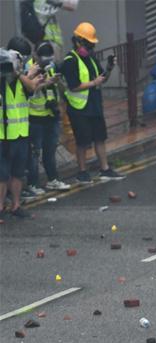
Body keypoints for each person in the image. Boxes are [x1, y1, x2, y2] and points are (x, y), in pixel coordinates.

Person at [61, 22, 124, 184]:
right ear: (77, 42)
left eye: (91, 46)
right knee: (82, 141)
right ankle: (82, 172)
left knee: (100, 138)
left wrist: (109, 68)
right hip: (79, 108)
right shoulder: (70, 61)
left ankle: (105, 169)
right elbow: (74, 86)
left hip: (94, 105)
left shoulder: (91, 58)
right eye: (87, 45)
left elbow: (101, 79)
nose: (89, 49)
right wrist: (94, 83)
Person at [1, 38, 45, 219]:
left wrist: (19, 73)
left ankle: (16, 205)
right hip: (3, 135)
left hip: (20, 133)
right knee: (2, 174)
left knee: (18, 172)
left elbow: (32, 87)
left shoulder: (22, 79)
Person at [25, 41, 70, 196]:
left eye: (49, 59)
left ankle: (53, 179)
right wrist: (45, 83)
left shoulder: (50, 66)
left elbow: (59, 88)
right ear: (35, 55)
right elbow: (26, 90)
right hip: (35, 118)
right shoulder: (28, 69)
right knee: (34, 153)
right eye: (44, 59)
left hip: (51, 115)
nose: (47, 62)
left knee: (50, 150)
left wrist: (57, 82)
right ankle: (32, 183)